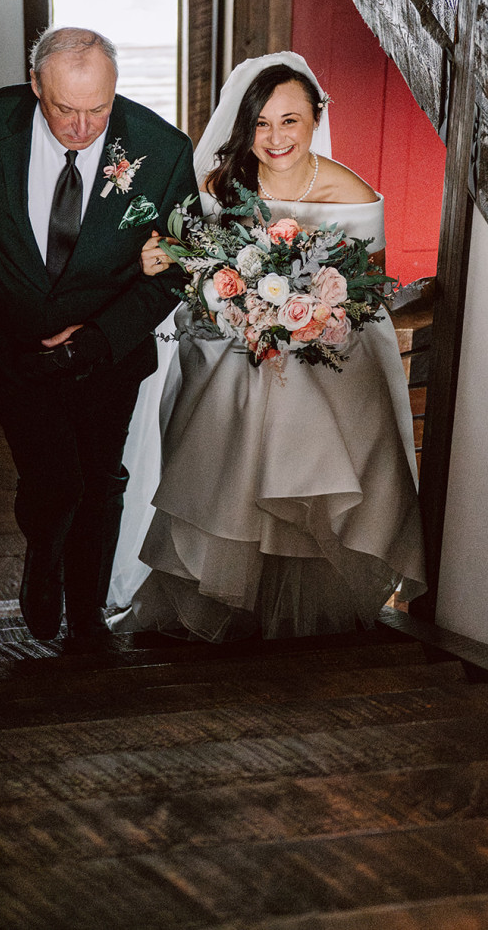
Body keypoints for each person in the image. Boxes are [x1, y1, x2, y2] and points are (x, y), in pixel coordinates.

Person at [110, 51, 426, 641]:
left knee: (302, 415)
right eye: (260, 123)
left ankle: (309, 603)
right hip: (233, 343)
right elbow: (198, 269)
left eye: (289, 120)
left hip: (326, 349)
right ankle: (222, 596)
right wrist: (211, 285)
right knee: (236, 412)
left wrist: (304, 321)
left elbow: (369, 290)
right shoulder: (218, 185)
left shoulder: (348, 192)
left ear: (315, 117)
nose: (275, 137)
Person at [0, 27, 198, 642]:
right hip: (13, 341)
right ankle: (42, 566)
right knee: (52, 478)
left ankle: (86, 613)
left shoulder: (163, 150)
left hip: (108, 348)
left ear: (115, 93)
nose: (82, 128)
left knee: (103, 481)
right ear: (35, 87)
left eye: (98, 110)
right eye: (64, 109)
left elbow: (181, 265)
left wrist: (100, 336)